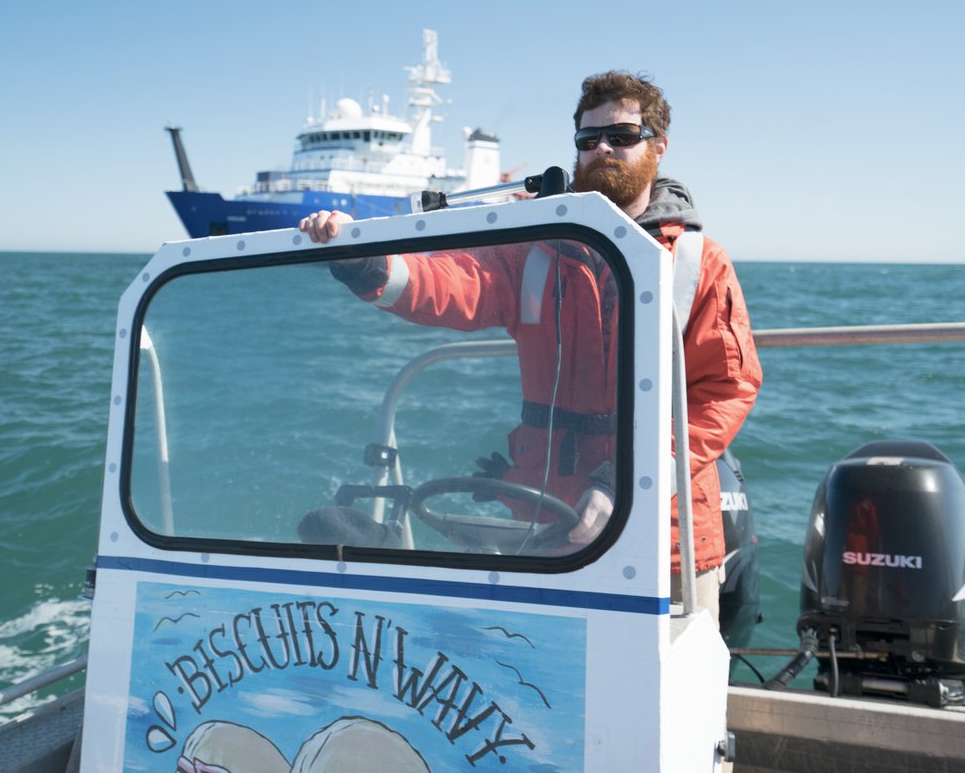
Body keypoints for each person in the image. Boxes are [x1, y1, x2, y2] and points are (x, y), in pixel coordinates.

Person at [299, 71, 762, 621]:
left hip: (668, 535)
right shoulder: (536, 250)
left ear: (658, 146)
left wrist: (628, 477)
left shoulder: (697, 263)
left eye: (621, 135)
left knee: (670, 689)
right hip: (540, 526)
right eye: (589, 141)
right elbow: (454, 284)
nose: (603, 149)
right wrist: (368, 262)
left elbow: (725, 390)